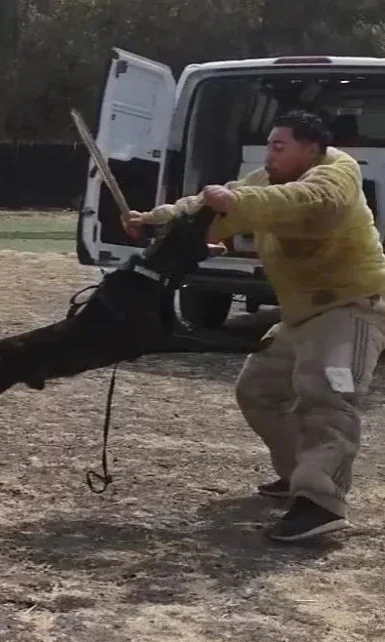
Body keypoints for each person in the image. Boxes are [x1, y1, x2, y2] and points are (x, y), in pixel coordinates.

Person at [122, 109, 385, 543]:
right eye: (268, 145)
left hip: (352, 307)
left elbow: (304, 201)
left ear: (311, 149)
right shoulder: (264, 182)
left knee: (328, 396)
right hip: (301, 314)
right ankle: (300, 473)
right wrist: (152, 218)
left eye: (279, 146)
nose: (269, 155)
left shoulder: (338, 174)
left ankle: (320, 502)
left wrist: (237, 203)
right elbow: (207, 206)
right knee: (258, 390)